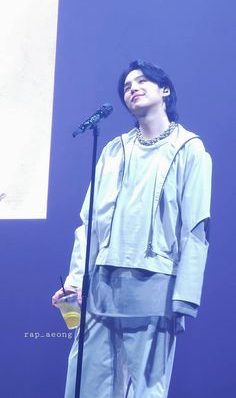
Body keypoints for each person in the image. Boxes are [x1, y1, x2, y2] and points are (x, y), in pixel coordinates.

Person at [52, 60, 212, 398]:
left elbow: (195, 226)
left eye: (141, 81)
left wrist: (184, 297)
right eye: (126, 87)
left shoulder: (189, 148)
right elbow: (90, 222)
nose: (132, 89)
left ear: (164, 90)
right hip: (102, 283)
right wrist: (75, 278)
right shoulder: (114, 149)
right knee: (87, 382)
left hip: (154, 283)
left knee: (147, 387)